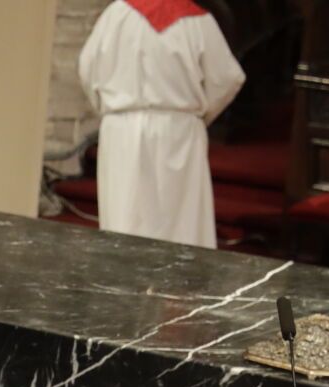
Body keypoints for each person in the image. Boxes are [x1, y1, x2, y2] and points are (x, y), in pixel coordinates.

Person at [78, 0, 245, 249]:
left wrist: (109, 110)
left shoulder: (116, 15)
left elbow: (87, 69)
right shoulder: (197, 21)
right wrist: (198, 116)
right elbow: (227, 79)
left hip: (122, 129)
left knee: (125, 216)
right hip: (178, 131)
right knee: (179, 225)